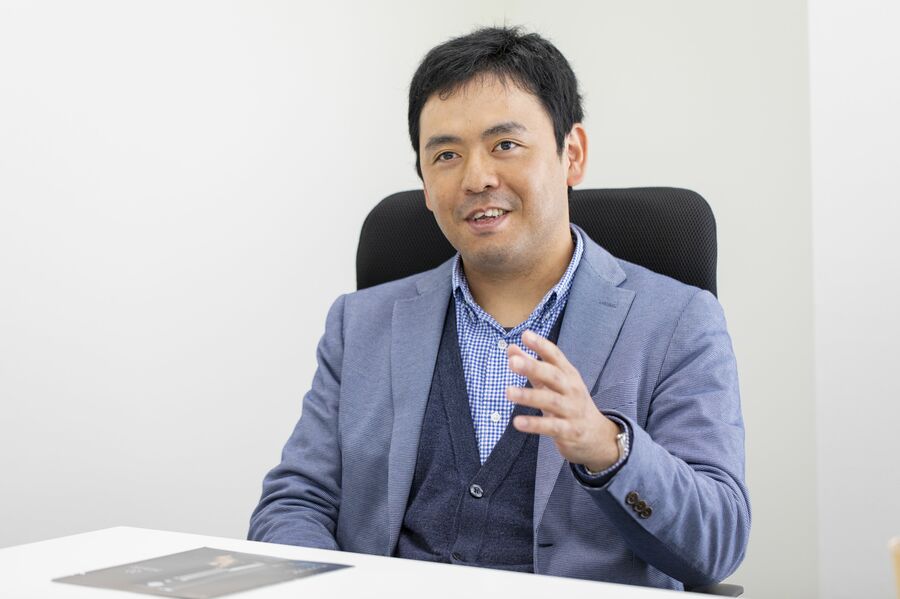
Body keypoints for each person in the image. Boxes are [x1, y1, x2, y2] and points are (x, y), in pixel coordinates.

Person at [249, 26, 750, 591]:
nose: (476, 178)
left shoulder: (678, 321)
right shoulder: (360, 323)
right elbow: (295, 502)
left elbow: (718, 543)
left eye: (505, 145)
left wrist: (606, 448)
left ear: (572, 155)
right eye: (446, 155)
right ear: (425, 184)